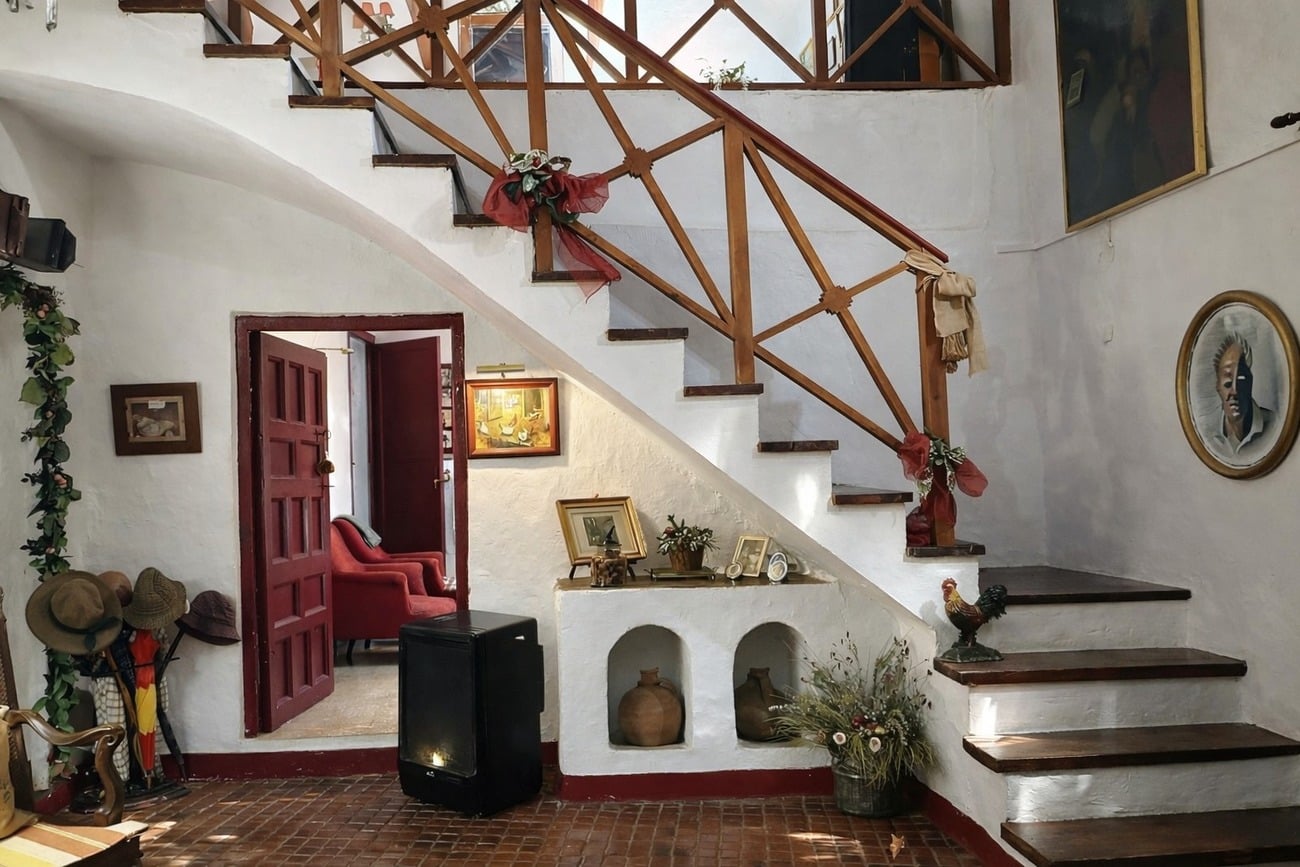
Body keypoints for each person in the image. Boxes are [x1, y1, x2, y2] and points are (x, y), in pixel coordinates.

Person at [1207, 332, 1274, 460]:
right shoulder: (1209, 435)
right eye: (1227, 383)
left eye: (1242, 380)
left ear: (1250, 382)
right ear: (1218, 387)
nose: (1235, 391)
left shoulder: (1273, 426)